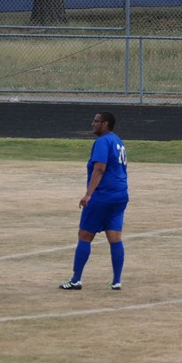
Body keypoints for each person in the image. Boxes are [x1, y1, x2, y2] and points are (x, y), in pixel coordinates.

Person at [60, 112, 128, 291]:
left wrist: (88, 194)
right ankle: (117, 281)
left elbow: (100, 169)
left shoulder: (102, 142)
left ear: (105, 124)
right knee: (115, 237)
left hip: (103, 195)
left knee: (84, 235)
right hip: (120, 195)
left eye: (96, 121)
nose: (92, 124)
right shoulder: (118, 141)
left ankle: (76, 280)